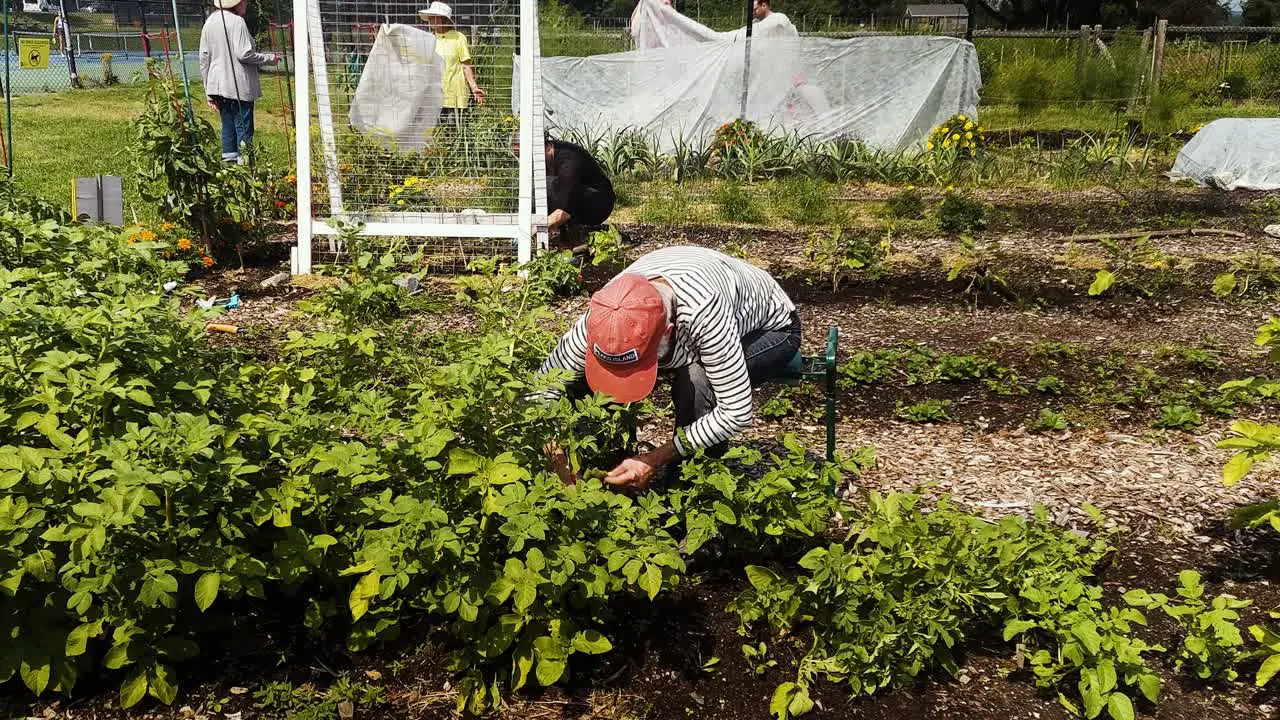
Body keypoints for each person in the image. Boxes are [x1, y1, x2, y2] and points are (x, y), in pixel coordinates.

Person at [540, 246, 802, 491]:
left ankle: (692, 494)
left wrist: (654, 459)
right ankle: (606, 461)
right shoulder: (606, 315)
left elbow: (736, 412)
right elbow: (541, 388)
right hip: (688, 285)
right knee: (578, 378)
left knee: (699, 382)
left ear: (668, 331)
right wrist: (558, 459)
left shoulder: (703, 313)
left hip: (769, 328)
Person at [199, 0, 280, 165]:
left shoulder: (210, 21)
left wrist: (208, 91)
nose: (246, 4)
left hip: (217, 85)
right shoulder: (237, 22)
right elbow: (244, 54)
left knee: (227, 126)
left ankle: (230, 169)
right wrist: (269, 58)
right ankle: (246, 168)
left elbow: (204, 57)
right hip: (238, 85)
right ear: (237, 4)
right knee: (243, 127)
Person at [418, 2, 486, 131]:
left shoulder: (458, 38)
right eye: (430, 17)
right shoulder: (429, 39)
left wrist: (474, 88)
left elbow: (466, 65)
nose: (430, 20)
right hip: (435, 96)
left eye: (433, 16)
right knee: (436, 134)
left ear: (442, 18)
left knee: (454, 133)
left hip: (455, 95)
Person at [545, 135, 616, 249]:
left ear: (546, 148)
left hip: (599, 205)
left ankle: (577, 237)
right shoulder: (552, 155)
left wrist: (529, 232)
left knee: (546, 186)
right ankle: (572, 234)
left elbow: (562, 213)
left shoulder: (569, 159)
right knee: (544, 187)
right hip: (580, 197)